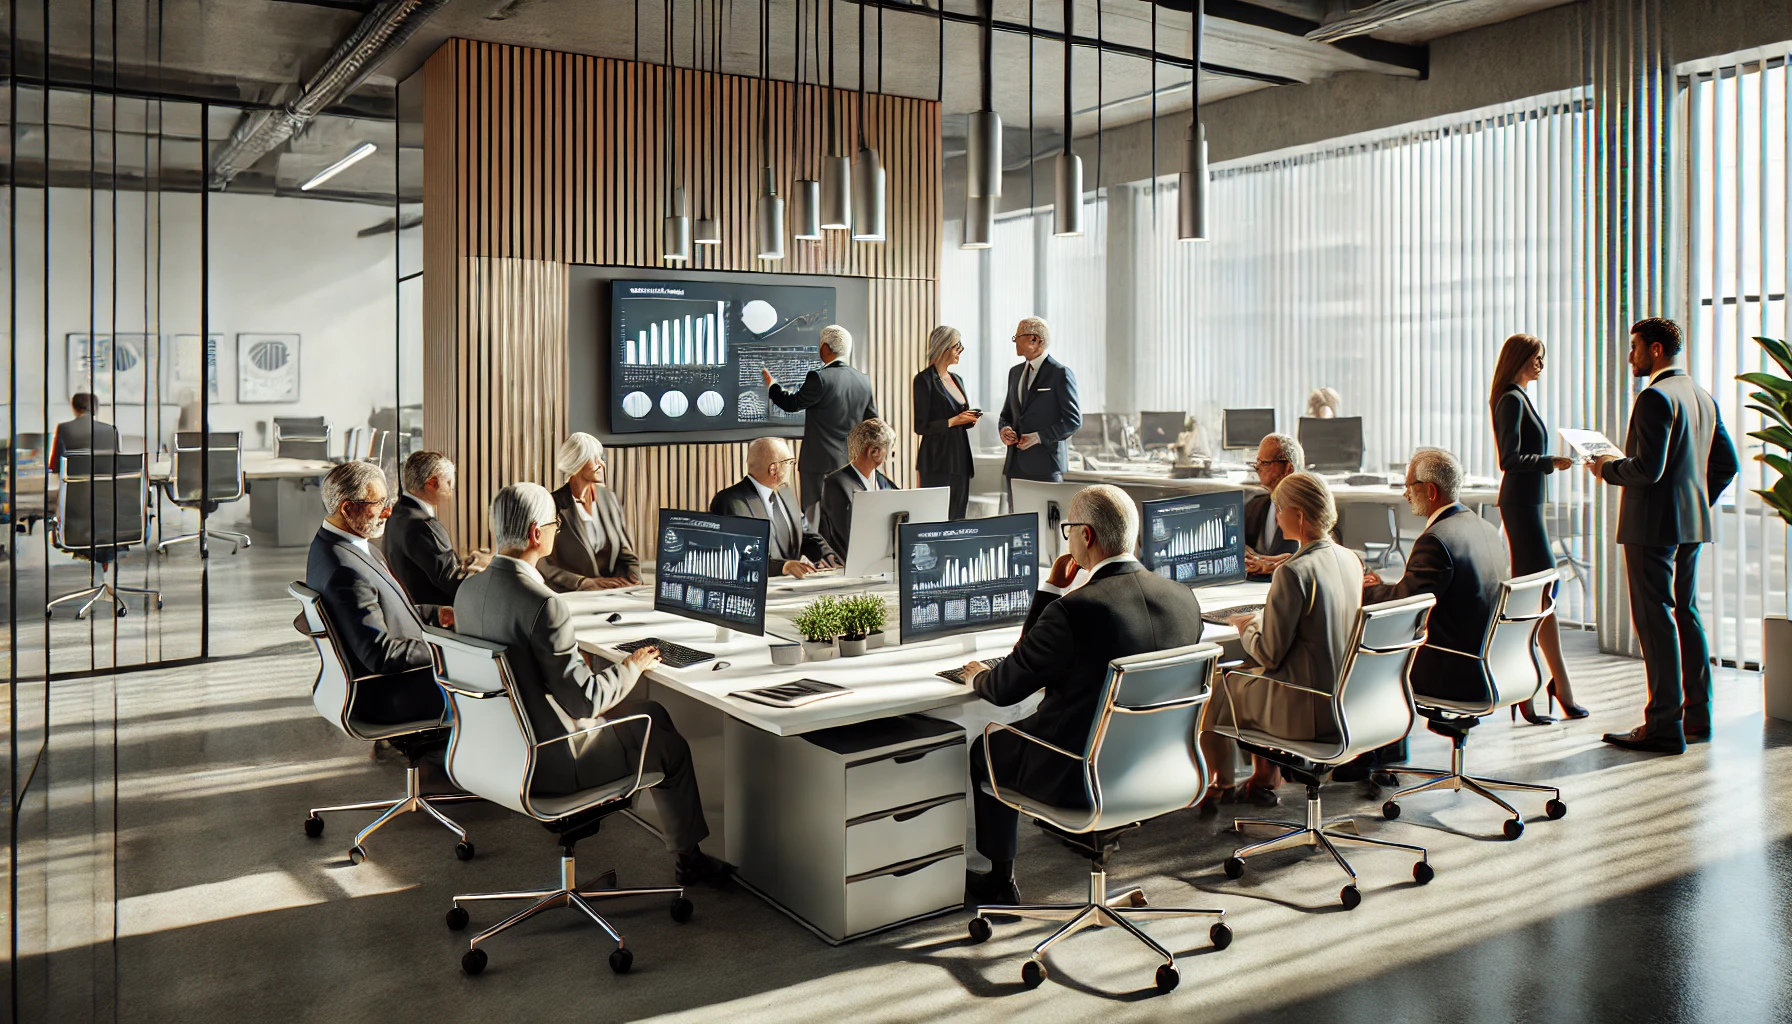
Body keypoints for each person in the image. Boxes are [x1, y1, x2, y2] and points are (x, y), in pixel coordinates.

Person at [452, 484, 730, 885]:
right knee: (667, 740)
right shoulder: (544, 603)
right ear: (536, 534)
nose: (555, 531)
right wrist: (632, 666)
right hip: (549, 763)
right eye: (553, 525)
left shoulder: (468, 590)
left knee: (652, 713)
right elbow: (586, 702)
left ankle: (690, 855)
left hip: (495, 750)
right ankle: (690, 862)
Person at [958, 484, 1204, 906]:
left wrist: (978, 675)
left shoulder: (1075, 610)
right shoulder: (1183, 599)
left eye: (1069, 528)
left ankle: (1001, 879)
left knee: (987, 746)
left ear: (1085, 537)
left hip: (1080, 772)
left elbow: (1004, 688)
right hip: (1158, 768)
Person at [1589, 317, 1738, 755]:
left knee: (1656, 622)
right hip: (1690, 525)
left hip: (1652, 528)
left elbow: (1646, 471)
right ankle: (1697, 717)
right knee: (1685, 614)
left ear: (1655, 349)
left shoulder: (1654, 397)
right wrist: (1690, 503)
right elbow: (1726, 465)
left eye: (1634, 346)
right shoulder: (1702, 397)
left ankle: (1662, 727)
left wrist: (1605, 468)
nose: (1630, 356)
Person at [1199, 473, 1363, 806]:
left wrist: (1247, 624)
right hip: (1347, 702)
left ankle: (1222, 783)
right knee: (1244, 670)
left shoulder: (1292, 572)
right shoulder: (1350, 559)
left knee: (1214, 683)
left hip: (1305, 708)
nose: (1276, 516)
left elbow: (1269, 654)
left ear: (1299, 516)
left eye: (1280, 509)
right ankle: (1262, 778)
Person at [1344, 448, 1508, 777]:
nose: (1405, 494)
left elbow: (1406, 605)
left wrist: (1366, 589)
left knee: (1367, 655)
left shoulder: (1436, 539)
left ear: (1430, 491)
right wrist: (1389, 585)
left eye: (1409, 486)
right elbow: (1427, 591)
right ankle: (1386, 750)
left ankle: (1363, 760)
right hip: (1492, 662)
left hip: (1454, 669)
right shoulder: (1484, 529)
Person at [305, 461, 447, 725]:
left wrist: (436, 614)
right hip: (395, 695)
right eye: (379, 503)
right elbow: (382, 655)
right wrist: (446, 649)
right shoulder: (346, 571)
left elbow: (379, 612)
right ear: (348, 509)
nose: (388, 512)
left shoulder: (333, 545)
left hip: (393, 684)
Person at [1490, 333, 1586, 722]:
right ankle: (1543, 686)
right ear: (1519, 358)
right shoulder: (1511, 398)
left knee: (1540, 598)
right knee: (1541, 593)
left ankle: (1546, 687)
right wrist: (1550, 462)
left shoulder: (1519, 396)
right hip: (1520, 504)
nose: (1541, 364)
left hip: (1528, 504)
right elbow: (1508, 459)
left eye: (1544, 357)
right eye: (1536, 357)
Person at [761, 325, 878, 525]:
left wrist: (772, 386)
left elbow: (792, 403)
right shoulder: (863, 381)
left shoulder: (819, 378)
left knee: (815, 523)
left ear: (824, 348)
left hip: (818, 465)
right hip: (851, 465)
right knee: (846, 521)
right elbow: (872, 423)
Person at [709, 437, 840, 577]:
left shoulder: (785, 493)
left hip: (795, 587)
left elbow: (804, 533)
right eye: (790, 462)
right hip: (760, 591)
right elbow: (739, 556)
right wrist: (783, 567)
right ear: (774, 469)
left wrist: (827, 555)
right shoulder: (730, 502)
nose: (792, 467)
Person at [382, 451, 487, 609]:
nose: (451, 489)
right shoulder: (424, 526)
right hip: (436, 618)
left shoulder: (397, 512)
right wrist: (488, 569)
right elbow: (453, 581)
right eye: (449, 482)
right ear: (431, 483)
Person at [541, 432, 641, 593]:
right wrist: (582, 582)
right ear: (577, 462)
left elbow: (626, 553)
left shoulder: (608, 498)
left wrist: (635, 582)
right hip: (572, 595)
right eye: (594, 458)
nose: (601, 464)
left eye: (601, 458)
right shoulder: (553, 504)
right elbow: (543, 564)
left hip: (613, 593)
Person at [997, 316, 1082, 491]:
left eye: (1017, 337)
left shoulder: (1060, 374)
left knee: (1045, 518)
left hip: (1046, 467)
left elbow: (1073, 421)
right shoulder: (1015, 373)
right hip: (1015, 467)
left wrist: (1038, 437)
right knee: (1016, 518)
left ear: (1035, 339)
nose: (1015, 342)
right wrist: (1004, 429)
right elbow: (1006, 414)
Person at [912, 325, 979, 520]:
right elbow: (921, 426)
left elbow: (959, 416)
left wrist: (968, 420)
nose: (960, 351)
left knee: (958, 516)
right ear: (944, 348)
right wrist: (953, 421)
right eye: (957, 346)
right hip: (937, 461)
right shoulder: (923, 380)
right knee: (936, 517)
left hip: (960, 459)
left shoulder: (957, 379)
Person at [817, 418, 899, 558]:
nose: (889, 458)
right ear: (873, 451)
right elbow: (845, 537)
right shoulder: (836, 484)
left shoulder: (886, 484)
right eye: (891, 452)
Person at [1243, 433, 1304, 578]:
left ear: (1288, 468)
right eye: (1256, 462)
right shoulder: (1256, 505)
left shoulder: (1307, 508)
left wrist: (1273, 567)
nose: (1257, 468)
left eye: (1264, 463)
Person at [50, 392, 121, 469]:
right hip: (105, 479)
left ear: (74, 408)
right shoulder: (111, 430)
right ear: (95, 409)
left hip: (73, 479)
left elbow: (54, 465)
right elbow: (117, 464)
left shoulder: (63, 428)